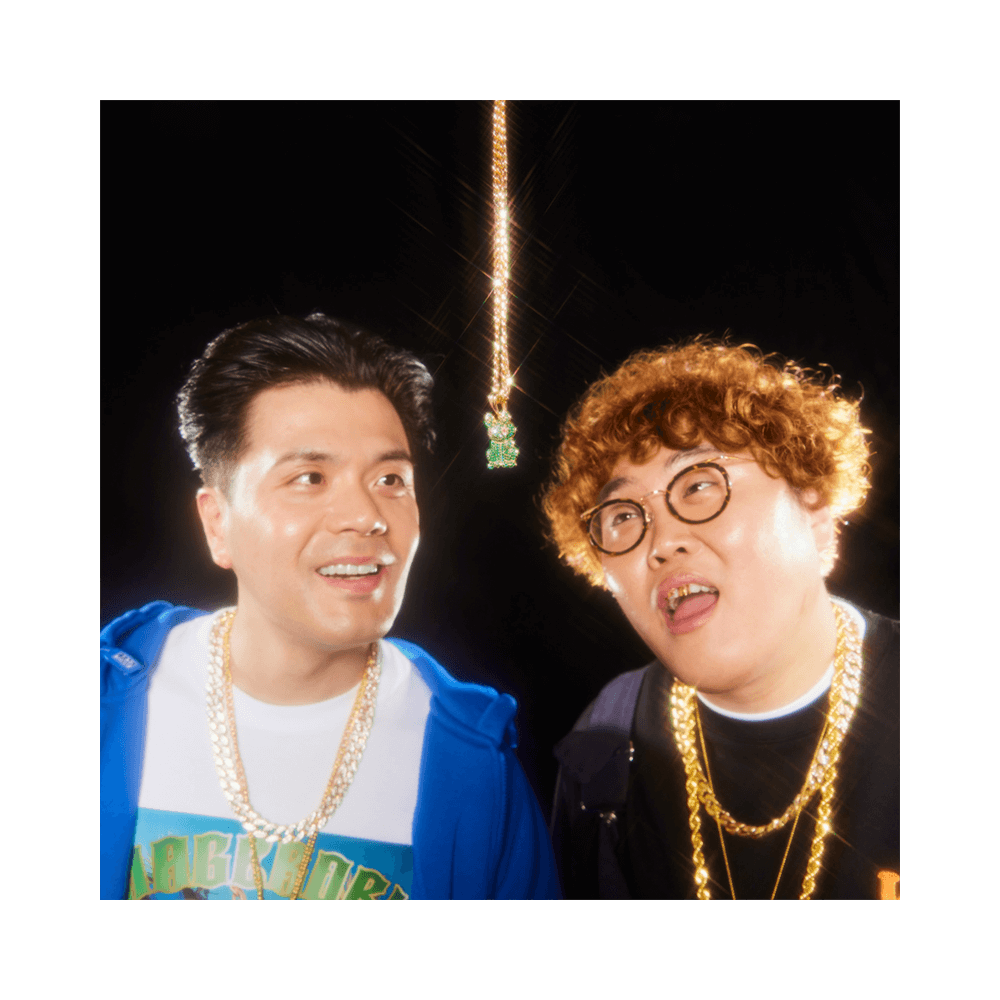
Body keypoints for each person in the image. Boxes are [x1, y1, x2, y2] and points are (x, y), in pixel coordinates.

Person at [100, 312, 559, 900]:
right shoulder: (116, 705)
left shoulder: (472, 761)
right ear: (218, 523)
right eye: (310, 477)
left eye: (391, 479)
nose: (366, 516)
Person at [542, 338, 898, 900]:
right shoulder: (604, 746)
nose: (662, 541)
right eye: (623, 516)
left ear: (816, 515)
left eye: (699, 485)